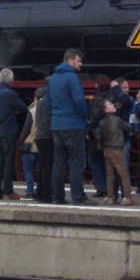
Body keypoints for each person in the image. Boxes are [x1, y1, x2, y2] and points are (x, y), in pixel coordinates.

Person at [49, 48, 89, 205]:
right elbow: (79, 100)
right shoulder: (72, 78)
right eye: (79, 61)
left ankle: (57, 197)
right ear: (71, 60)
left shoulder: (53, 78)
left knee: (58, 162)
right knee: (76, 162)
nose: (81, 64)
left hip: (56, 125)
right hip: (72, 125)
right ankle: (78, 197)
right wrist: (84, 117)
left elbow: (49, 102)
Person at [0, 69, 26, 200]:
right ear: (11, 80)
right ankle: (8, 191)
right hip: (8, 131)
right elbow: (23, 108)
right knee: (9, 161)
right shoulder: (10, 94)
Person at [97, 98, 133, 205]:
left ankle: (110, 198)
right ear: (106, 110)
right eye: (109, 104)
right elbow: (128, 127)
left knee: (110, 175)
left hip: (107, 150)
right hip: (117, 149)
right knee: (123, 174)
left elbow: (98, 136)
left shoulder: (102, 122)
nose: (112, 104)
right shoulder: (117, 120)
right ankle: (127, 197)